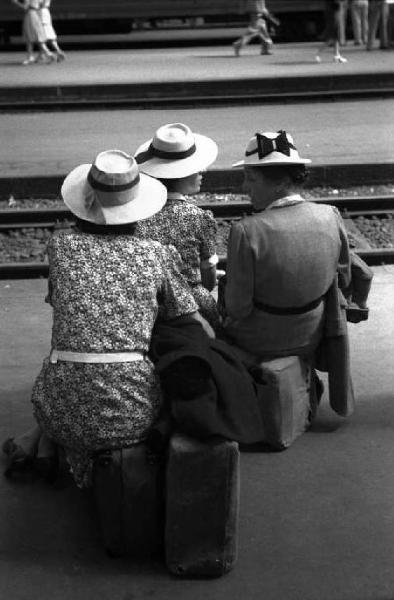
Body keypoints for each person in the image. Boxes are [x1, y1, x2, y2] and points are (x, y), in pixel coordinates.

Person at [4, 150, 208, 487]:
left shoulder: (60, 247)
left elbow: (63, 307)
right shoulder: (155, 252)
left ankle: (44, 445)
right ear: (136, 206)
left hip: (57, 411)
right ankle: (49, 449)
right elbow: (186, 317)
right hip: (130, 416)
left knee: (76, 371)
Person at [222, 130, 363, 415]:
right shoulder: (330, 216)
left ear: (280, 183)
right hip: (313, 332)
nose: (244, 187)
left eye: (251, 179)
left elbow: (238, 308)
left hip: (261, 339)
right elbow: (344, 278)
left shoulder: (247, 231)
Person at [134, 123, 221, 330]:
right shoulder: (200, 217)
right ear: (181, 174)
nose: (203, 170)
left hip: (149, 306)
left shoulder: (138, 215)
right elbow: (208, 280)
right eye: (195, 167)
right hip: (194, 306)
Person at [11, 0, 54, 65]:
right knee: (36, 36)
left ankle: (32, 57)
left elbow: (25, 7)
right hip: (36, 15)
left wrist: (16, 2)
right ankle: (48, 54)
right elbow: (41, 4)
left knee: (29, 37)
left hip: (30, 15)